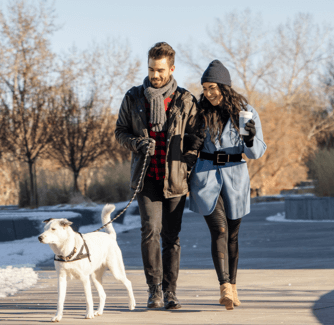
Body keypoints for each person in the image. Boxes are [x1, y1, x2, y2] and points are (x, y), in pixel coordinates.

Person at [115, 42, 199, 310]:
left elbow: (197, 137)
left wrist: (190, 159)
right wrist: (137, 143)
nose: (155, 75)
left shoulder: (185, 100)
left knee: (171, 237)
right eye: (151, 69)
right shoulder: (133, 97)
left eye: (160, 70)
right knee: (150, 231)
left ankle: (170, 291)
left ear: (171, 69)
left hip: (175, 178)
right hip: (146, 177)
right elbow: (120, 132)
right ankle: (154, 291)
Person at [187, 60, 266, 310]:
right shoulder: (198, 112)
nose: (208, 93)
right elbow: (188, 146)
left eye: (213, 87)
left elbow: (255, 154)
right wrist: (192, 143)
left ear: (224, 86)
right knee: (219, 230)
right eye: (205, 88)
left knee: (233, 235)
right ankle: (224, 286)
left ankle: (233, 287)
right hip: (206, 177)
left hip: (235, 178)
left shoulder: (245, 111)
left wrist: (250, 138)